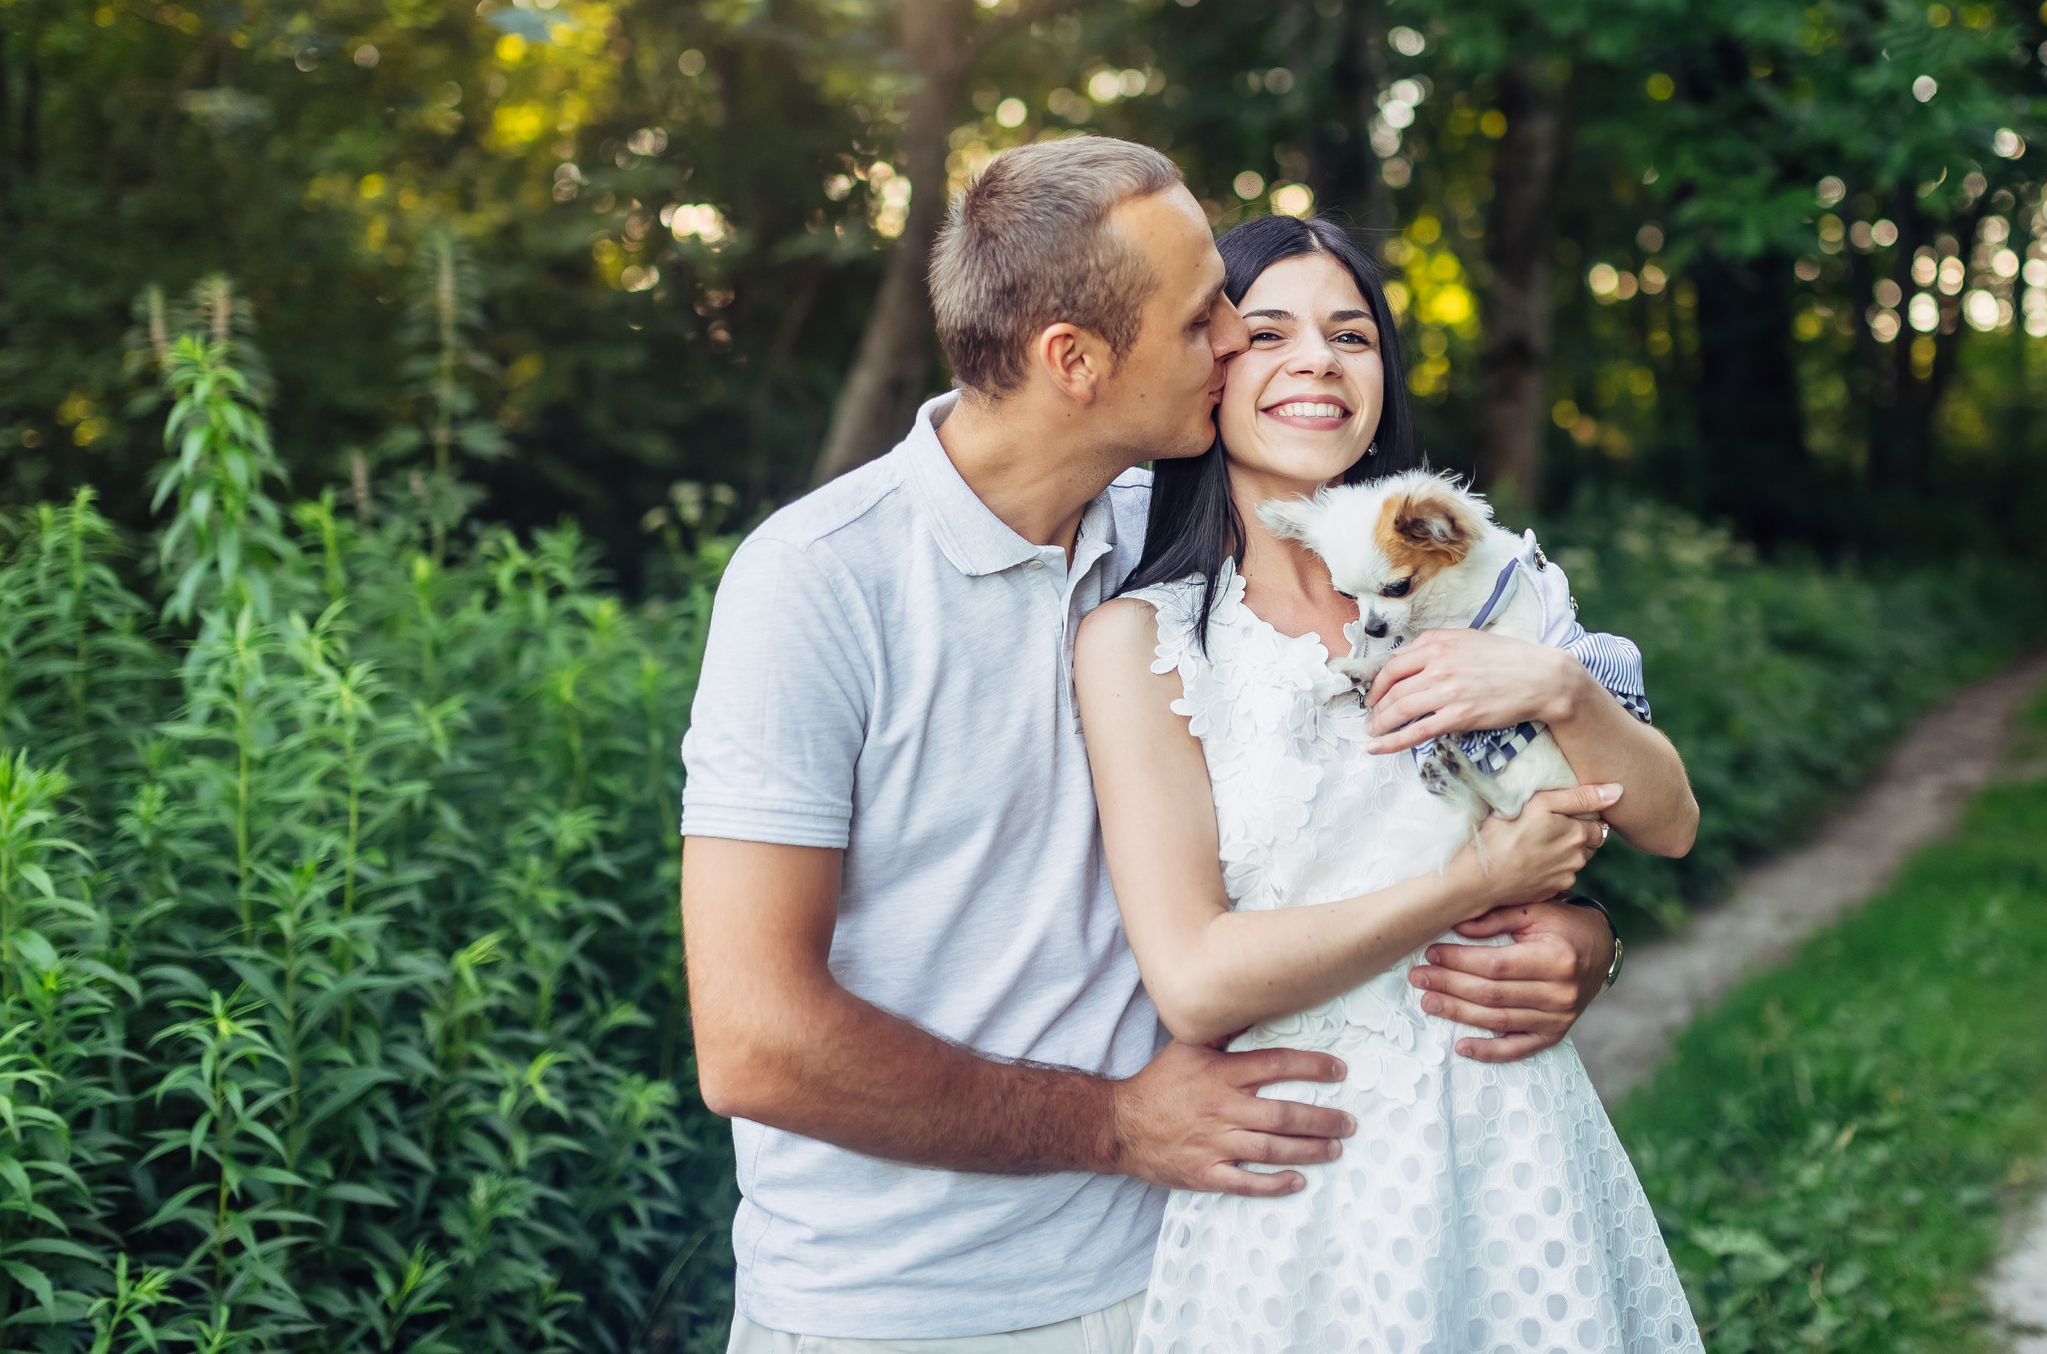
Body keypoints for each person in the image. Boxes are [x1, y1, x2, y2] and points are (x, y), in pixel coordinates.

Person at [679, 137, 1629, 1351]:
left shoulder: (1180, 530)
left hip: (1202, 1259)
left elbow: (1387, 801)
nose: (1239, 340)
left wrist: (1576, 936)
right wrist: (1115, 1124)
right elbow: (755, 1041)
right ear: (1073, 360)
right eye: (1206, 319)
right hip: (910, 1302)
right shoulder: (818, 582)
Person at [1073, 213, 1704, 1353]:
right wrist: (1479, 880)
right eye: (1266, 330)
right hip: (1298, 1165)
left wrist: (1563, 689)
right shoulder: (1147, 640)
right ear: (1206, 362)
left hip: (1510, 1133)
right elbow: (1198, 982)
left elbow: (1667, 821)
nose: (1316, 358)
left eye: (1350, 333)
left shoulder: (1479, 568)